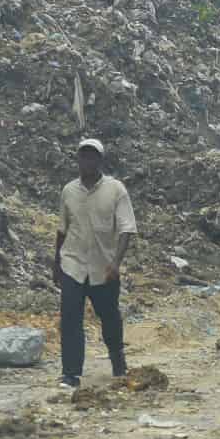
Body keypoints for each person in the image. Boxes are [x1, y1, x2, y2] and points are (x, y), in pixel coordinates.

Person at [54, 138, 136, 387]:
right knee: (70, 318)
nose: (88, 161)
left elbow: (126, 229)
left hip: (104, 267)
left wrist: (116, 262)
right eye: (84, 156)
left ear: (100, 160)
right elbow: (62, 229)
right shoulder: (69, 191)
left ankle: (118, 361)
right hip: (73, 264)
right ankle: (71, 373)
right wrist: (56, 262)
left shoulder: (116, 190)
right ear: (78, 160)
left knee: (109, 316)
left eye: (93, 156)